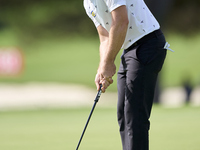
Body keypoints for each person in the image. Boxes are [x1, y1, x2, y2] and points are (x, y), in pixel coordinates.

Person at [84, 0, 168, 150]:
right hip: (129, 49)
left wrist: (109, 62)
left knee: (134, 116)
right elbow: (105, 36)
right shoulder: (87, 3)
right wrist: (102, 67)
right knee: (123, 114)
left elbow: (121, 21)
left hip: (148, 43)